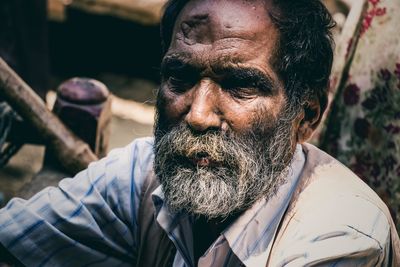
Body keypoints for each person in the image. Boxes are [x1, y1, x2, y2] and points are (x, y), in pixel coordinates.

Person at [0, 0, 399, 266]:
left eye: (240, 85)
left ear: (306, 115)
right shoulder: (145, 173)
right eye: (180, 76)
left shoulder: (342, 237)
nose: (198, 114)